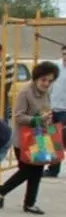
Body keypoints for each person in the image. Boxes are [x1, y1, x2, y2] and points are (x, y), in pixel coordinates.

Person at [0, 61, 59, 215]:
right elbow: (18, 117)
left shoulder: (46, 92)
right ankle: (0, 191)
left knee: (37, 170)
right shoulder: (25, 93)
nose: (46, 83)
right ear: (36, 78)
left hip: (41, 137)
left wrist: (50, 127)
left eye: (50, 80)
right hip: (24, 139)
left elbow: (46, 112)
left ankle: (29, 203)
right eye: (44, 80)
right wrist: (37, 119)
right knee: (26, 171)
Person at [44, 45, 66, 178]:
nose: (65, 57)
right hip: (52, 110)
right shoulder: (55, 67)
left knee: (61, 139)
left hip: (64, 111)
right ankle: (53, 169)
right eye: (64, 54)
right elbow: (48, 87)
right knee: (53, 139)